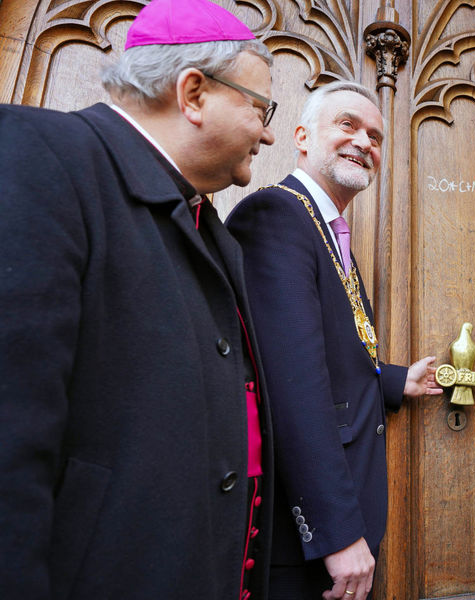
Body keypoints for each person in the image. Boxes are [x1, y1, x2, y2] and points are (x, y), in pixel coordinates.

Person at [0, 0, 278, 598]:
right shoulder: (38, 156)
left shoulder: (212, 226)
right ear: (194, 93)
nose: (269, 131)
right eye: (260, 108)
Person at [226, 81, 442, 600]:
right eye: (347, 125)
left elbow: (325, 348)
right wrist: (336, 531)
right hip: (303, 537)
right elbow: (290, 383)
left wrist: (394, 380)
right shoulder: (277, 215)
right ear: (301, 136)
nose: (364, 142)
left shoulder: (326, 227)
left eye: (375, 136)